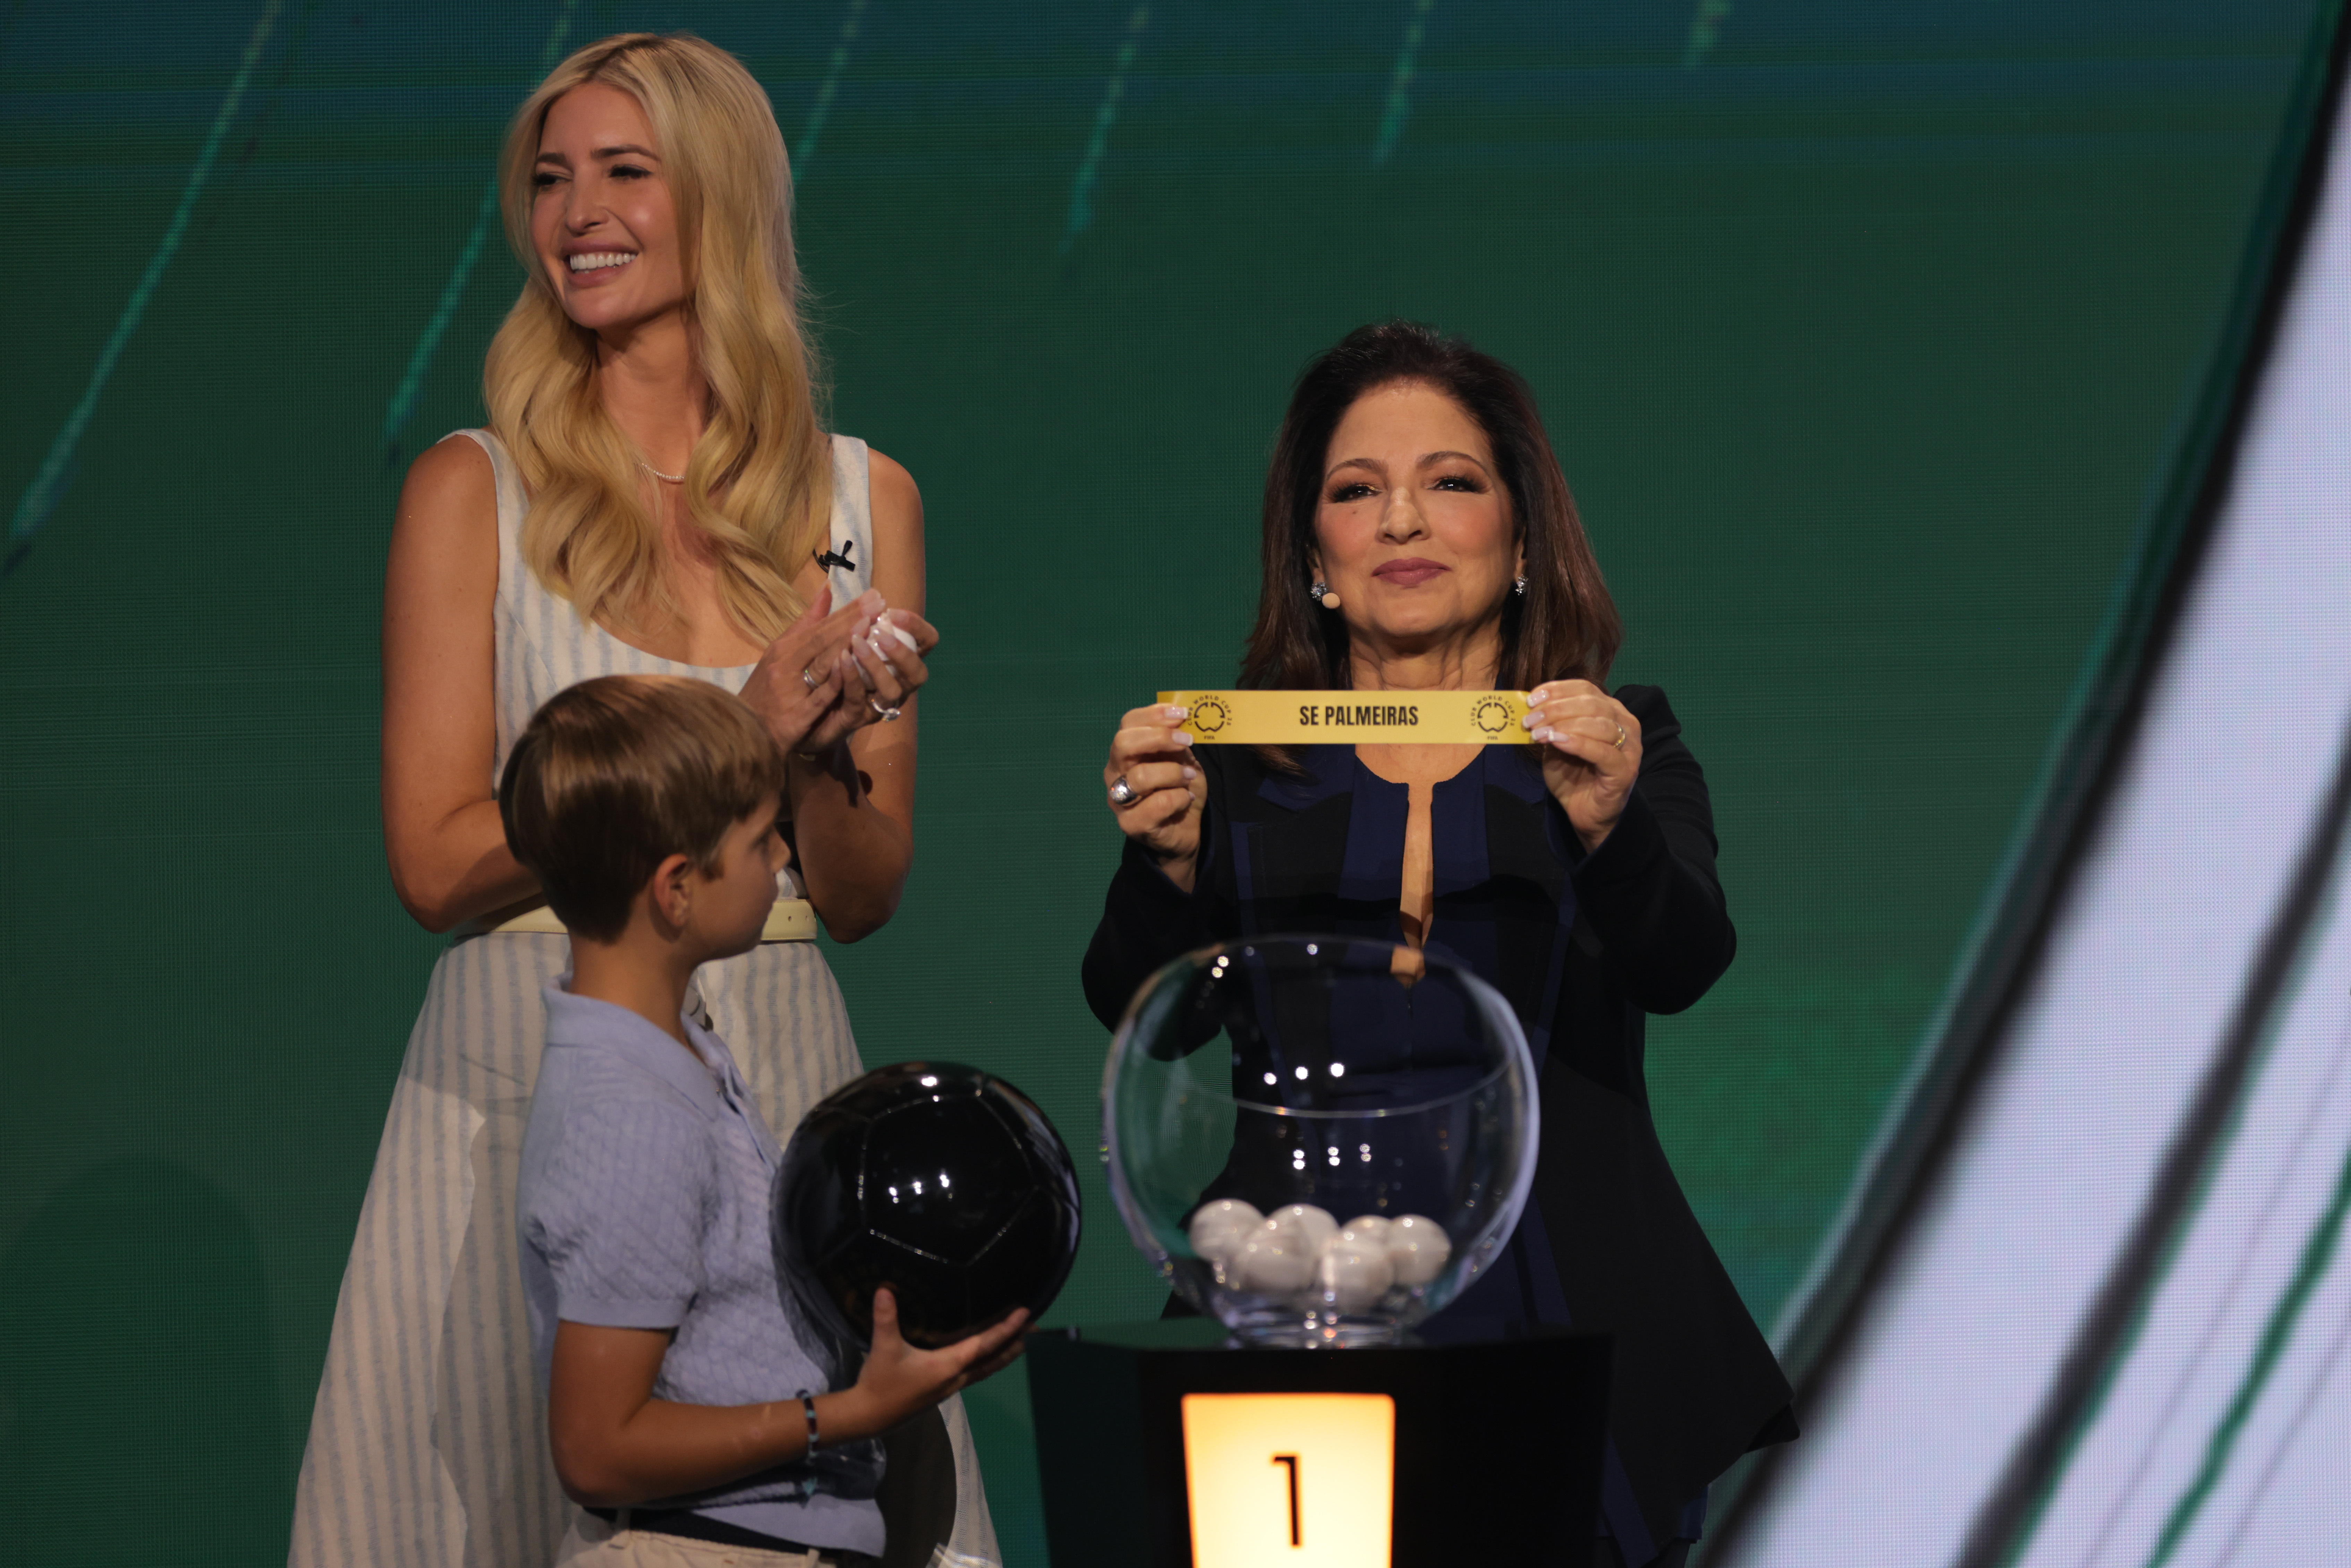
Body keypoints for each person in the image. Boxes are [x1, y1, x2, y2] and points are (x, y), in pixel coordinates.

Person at [288, 33, 994, 1568]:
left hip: (785, 1065)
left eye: (623, 172)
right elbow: (433, 856)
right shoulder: (474, 489)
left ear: (720, 199)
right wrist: (733, 729)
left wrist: (806, 748)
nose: (575, 212)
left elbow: (862, 890)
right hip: (518, 1072)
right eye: (549, 178)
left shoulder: (860, 504)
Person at [1082, 321, 1797, 1568]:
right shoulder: (1231, 762)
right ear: (1314, 556)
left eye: (1450, 482)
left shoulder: (1623, 741)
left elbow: (1682, 962)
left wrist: (1609, 827)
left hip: (1563, 1307)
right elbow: (1140, 1009)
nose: (1402, 521)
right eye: (1357, 493)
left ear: (1521, 540)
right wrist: (1169, 867)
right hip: (1287, 1303)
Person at [500, 675, 1027, 1568]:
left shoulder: (678, 1060)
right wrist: (849, 1415)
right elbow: (595, 1449)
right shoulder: (631, 1117)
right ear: (676, 888)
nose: (785, 855)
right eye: (760, 837)